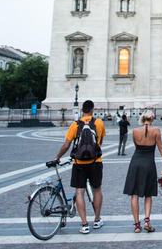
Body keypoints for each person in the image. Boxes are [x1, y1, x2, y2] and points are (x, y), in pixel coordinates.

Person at [54, 100, 106, 234]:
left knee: (79, 192)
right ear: (93, 110)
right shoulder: (99, 123)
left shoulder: (75, 125)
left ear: (82, 110)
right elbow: (99, 142)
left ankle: (84, 224)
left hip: (79, 163)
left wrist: (57, 157)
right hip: (95, 162)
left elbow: (66, 145)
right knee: (97, 190)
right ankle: (97, 219)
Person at [123, 110, 162, 233]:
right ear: (151, 119)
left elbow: (136, 145)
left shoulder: (135, 131)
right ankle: (147, 221)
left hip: (135, 163)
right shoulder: (156, 130)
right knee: (148, 193)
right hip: (149, 163)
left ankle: (136, 225)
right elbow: (160, 147)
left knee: (134, 193)